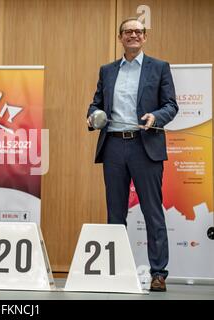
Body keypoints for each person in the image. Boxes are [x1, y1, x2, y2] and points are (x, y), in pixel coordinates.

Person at [87, 18, 178, 292]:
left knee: (152, 211)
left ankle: (158, 273)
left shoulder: (159, 68)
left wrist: (156, 116)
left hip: (145, 146)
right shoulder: (107, 70)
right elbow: (96, 103)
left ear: (145, 37)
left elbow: (171, 105)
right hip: (114, 146)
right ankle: (117, 272)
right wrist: (93, 116)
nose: (133, 35)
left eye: (138, 32)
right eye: (128, 32)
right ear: (120, 37)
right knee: (115, 213)